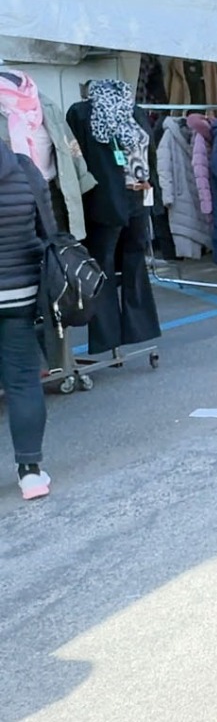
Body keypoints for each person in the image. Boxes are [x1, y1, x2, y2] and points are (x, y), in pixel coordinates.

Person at [0, 132, 55, 499]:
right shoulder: (23, 168)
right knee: (22, 382)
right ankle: (30, 472)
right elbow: (47, 230)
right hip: (19, 294)